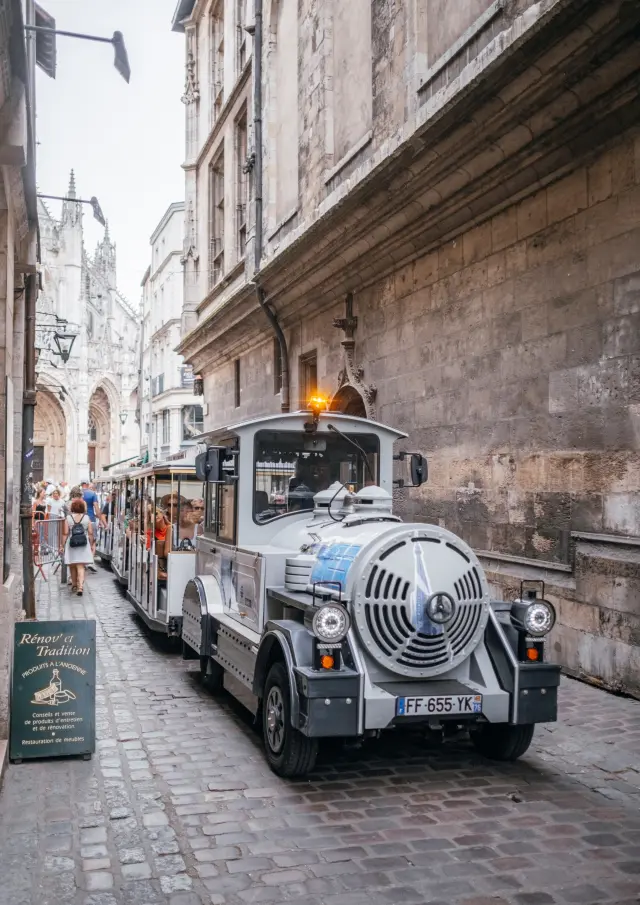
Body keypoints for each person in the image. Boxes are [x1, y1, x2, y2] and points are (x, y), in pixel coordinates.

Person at [61, 498, 94, 595]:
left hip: (72, 544)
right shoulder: (87, 518)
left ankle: (74, 584)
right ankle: (80, 587)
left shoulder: (68, 518)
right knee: (81, 566)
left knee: (72, 565)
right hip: (83, 544)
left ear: (72, 507)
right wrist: (91, 544)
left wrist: (62, 545)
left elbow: (65, 533)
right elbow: (91, 533)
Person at [81, 480, 100, 571]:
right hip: (91, 519)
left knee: (82, 541)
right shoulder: (92, 494)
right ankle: (91, 561)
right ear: (88, 484)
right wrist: (101, 518)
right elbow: (96, 507)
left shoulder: (78, 493)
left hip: (79, 520)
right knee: (93, 541)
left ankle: (83, 562)